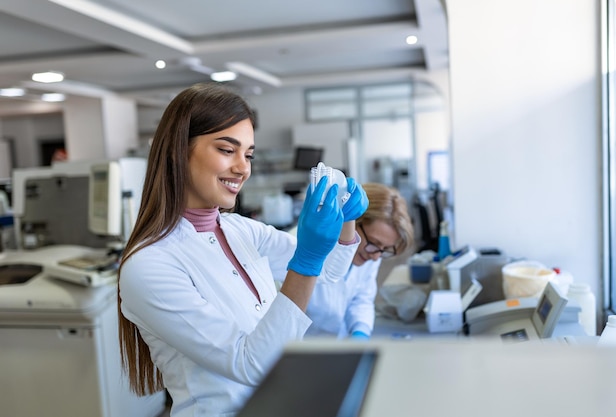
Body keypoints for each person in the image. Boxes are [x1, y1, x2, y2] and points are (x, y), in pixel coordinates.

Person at [117, 82, 368, 417]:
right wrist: (305, 260)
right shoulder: (149, 265)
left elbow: (331, 272)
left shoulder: (239, 229)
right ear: (179, 151)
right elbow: (248, 362)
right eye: (226, 150)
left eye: (248, 154)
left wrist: (346, 217)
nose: (243, 167)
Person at [283, 183, 414, 339]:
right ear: (351, 221)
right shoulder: (297, 245)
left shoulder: (371, 252)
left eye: (384, 249)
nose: (376, 257)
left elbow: (361, 299)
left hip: (339, 344)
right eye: (373, 243)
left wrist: (360, 331)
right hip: (298, 347)